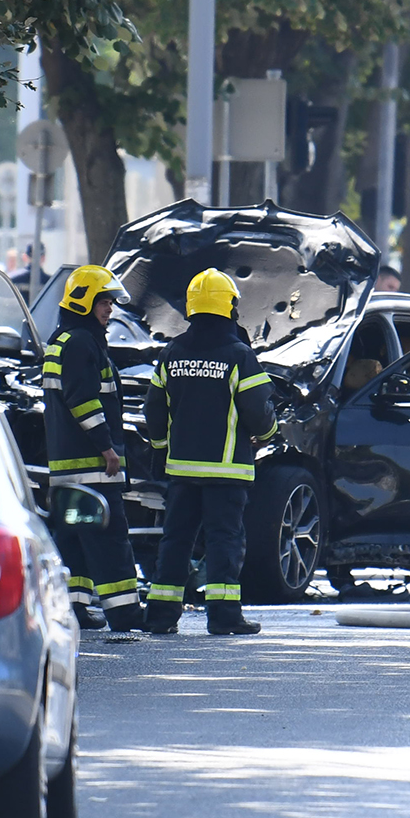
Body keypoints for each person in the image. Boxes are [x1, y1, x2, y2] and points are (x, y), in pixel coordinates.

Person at [143, 269, 279, 636]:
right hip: (226, 471)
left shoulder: (172, 352)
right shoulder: (239, 354)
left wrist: (161, 449)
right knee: (224, 541)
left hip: (182, 471)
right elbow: (259, 411)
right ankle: (223, 617)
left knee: (175, 540)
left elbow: (153, 409)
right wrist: (267, 434)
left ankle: (159, 616)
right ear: (229, 306)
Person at [43, 265, 143, 631]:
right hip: (92, 468)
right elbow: (83, 401)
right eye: (104, 301)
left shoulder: (64, 339)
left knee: (74, 544)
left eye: (111, 302)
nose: (109, 309)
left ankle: (74, 609)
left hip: (67, 468)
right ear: (84, 301)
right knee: (109, 540)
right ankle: (125, 612)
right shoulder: (83, 343)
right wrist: (108, 449)